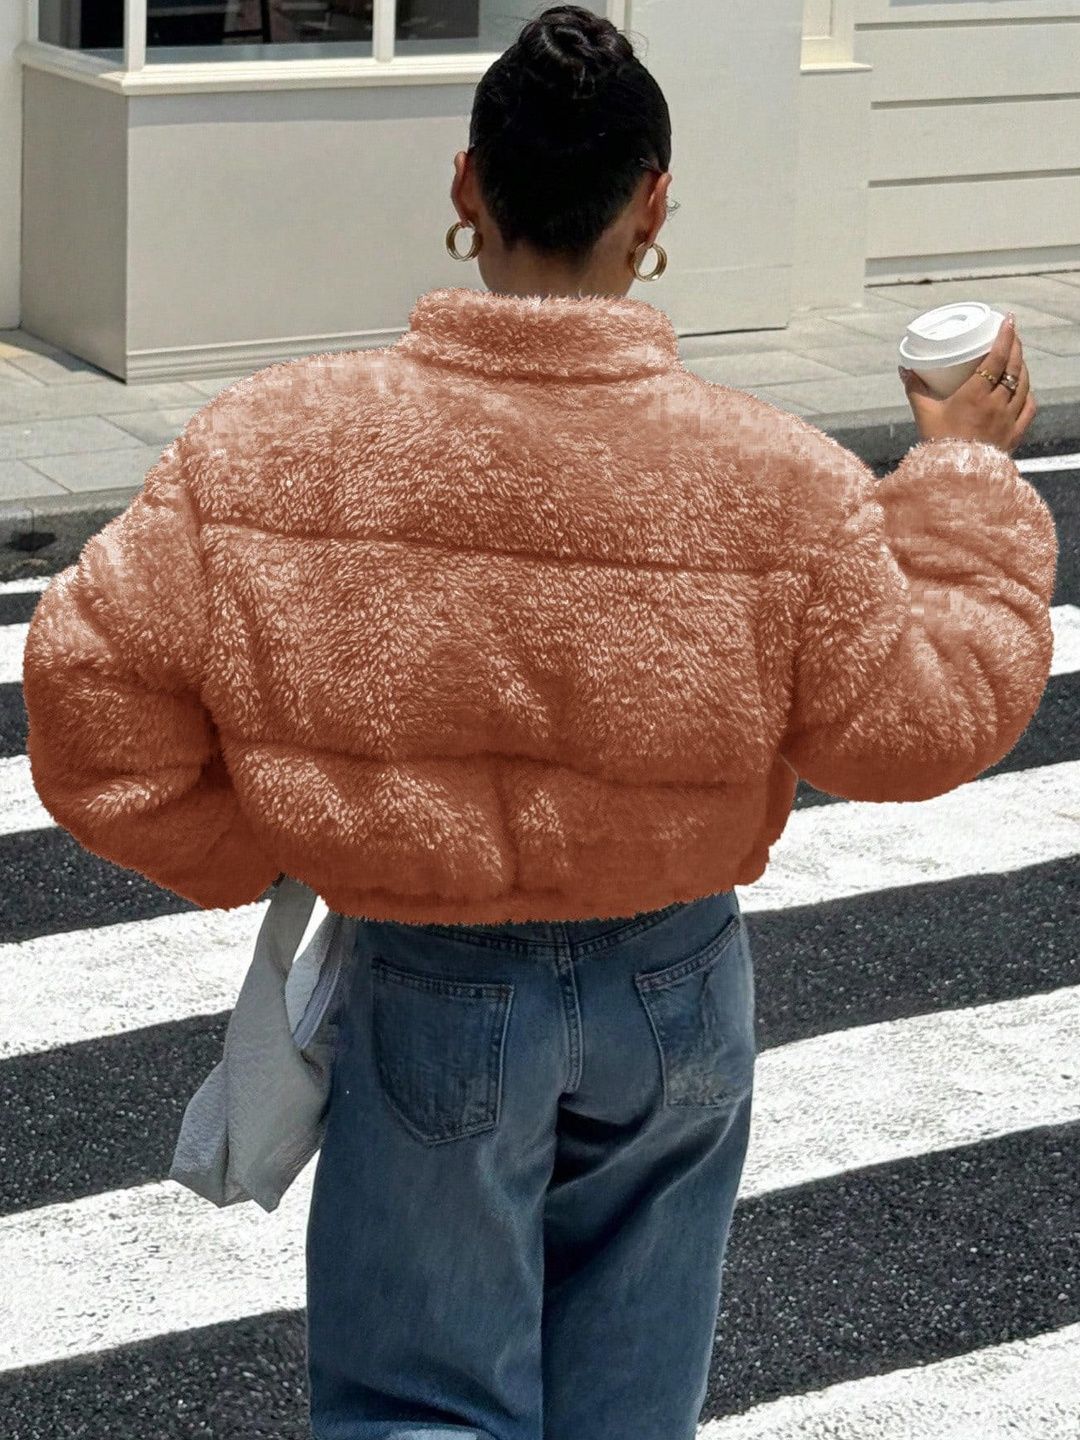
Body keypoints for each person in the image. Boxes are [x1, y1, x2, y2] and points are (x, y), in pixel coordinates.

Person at [20, 7, 1057, 1440]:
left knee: (418, 1403)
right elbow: (922, 723)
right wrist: (964, 481)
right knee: (629, 1409)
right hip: (675, 984)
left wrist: (275, 842)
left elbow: (87, 699)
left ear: (467, 186)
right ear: (654, 206)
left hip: (431, 977)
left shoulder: (277, 445)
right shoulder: (777, 479)